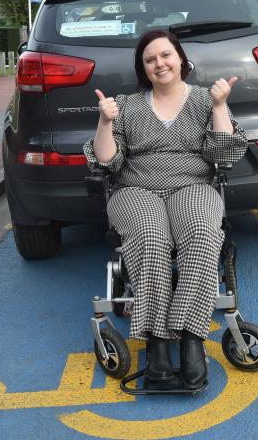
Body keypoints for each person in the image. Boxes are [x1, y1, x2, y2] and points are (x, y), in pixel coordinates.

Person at [83, 30, 248, 390]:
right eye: (150, 59)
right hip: (135, 187)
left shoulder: (207, 99)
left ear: (180, 58)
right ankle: (158, 344)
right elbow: (108, 161)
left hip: (193, 185)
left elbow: (222, 156)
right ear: (143, 68)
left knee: (204, 232)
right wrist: (105, 122)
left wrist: (221, 107)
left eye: (165, 55)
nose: (160, 63)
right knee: (150, 236)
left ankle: (190, 338)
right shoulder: (127, 105)